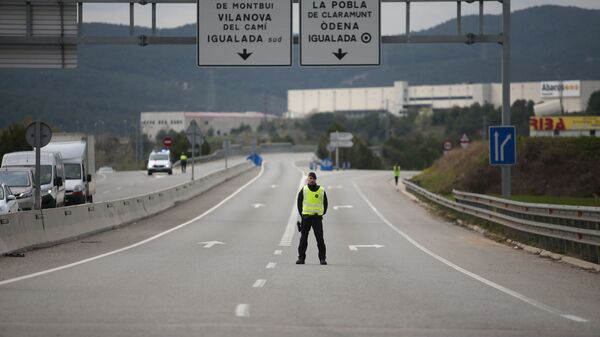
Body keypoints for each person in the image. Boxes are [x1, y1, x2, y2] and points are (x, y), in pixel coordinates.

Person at [296, 171, 328, 265]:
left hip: (317, 218)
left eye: (313, 178)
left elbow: (325, 203)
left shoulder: (321, 190)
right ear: (307, 179)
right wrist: (302, 215)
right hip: (306, 218)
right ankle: (301, 258)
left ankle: (322, 259)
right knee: (303, 239)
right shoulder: (304, 190)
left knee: (320, 239)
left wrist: (322, 213)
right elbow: (299, 203)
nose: (312, 180)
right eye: (310, 178)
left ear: (315, 180)